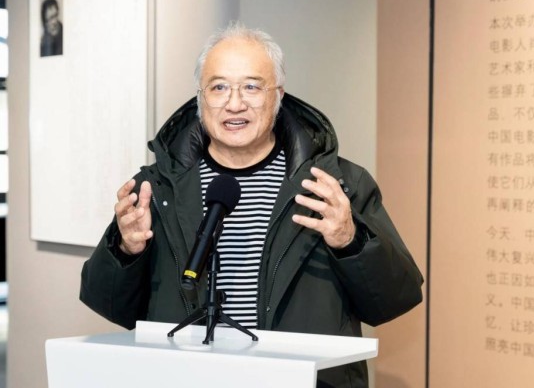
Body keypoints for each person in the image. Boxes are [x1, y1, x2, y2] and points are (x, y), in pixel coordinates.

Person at [80, 21, 423, 388]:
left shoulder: (337, 185)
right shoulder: (157, 187)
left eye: (252, 87)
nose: (235, 103)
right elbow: (108, 304)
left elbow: (394, 299)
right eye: (219, 87)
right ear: (200, 97)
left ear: (278, 95)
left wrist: (350, 241)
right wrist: (126, 250)